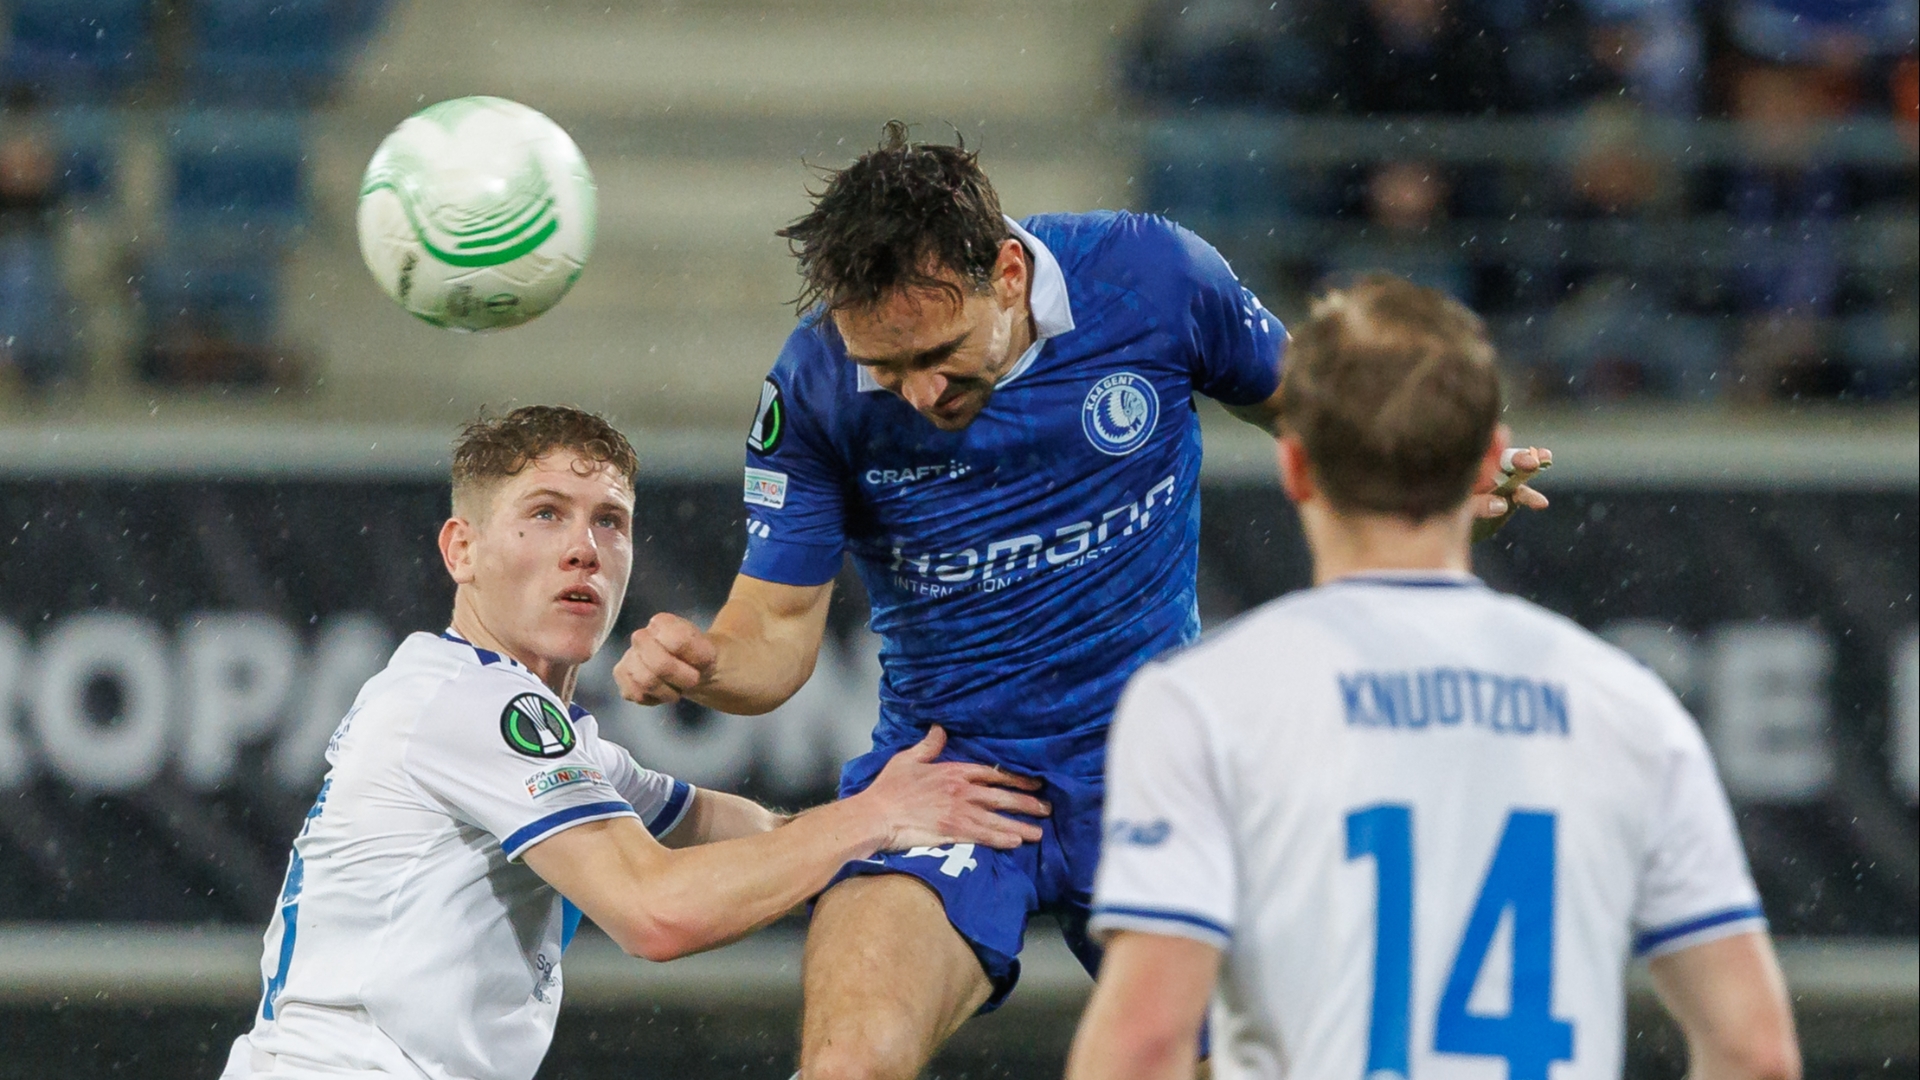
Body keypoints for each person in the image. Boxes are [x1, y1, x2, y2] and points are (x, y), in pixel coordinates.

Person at [612, 127, 1551, 1079]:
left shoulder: (1153, 278)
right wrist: (710, 666)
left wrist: (1423, 483)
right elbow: (772, 629)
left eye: (937, 352)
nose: (916, 391)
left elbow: (1314, 413)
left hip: (1155, 771)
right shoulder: (815, 383)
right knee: (846, 1067)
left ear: (1009, 273)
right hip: (950, 783)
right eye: (886, 369)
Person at [1066, 276, 1800, 1080]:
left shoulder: (1202, 703)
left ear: (1296, 466)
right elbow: (1754, 1052)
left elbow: (1143, 1046)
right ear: (1489, 458)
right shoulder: (1627, 705)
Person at [219, 405, 1047, 1080]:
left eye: (608, 521)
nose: (584, 546)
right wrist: (872, 819)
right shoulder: (472, 702)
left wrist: (904, 827)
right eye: (545, 514)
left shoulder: (563, 744)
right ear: (460, 549)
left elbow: (761, 840)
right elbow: (657, 913)